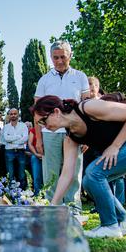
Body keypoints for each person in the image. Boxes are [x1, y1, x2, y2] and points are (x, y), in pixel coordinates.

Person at [32, 95, 126, 238]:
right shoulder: (71, 138)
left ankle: (110, 226)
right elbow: (66, 174)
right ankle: (124, 221)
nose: (44, 126)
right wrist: (53, 206)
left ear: (56, 112)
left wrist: (115, 146)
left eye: (43, 120)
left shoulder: (88, 107)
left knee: (93, 173)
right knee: (88, 181)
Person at [34, 40, 90, 211]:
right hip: (49, 133)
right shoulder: (44, 80)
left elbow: (86, 108)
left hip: (74, 132)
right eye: (55, 57)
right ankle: (52, 207)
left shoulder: (80, 77)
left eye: (63, 57)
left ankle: (73, 207)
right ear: (51, 57)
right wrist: (38, 139)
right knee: (50, 173)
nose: (59, 61)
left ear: (70, 56)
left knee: (74, 171)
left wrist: (87, 136)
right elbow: (37, 112)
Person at [1, 108, 28, 187]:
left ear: (18, 115)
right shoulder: (6, 127)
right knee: (10, 174)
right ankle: (10, 192)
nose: (13, 115)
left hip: (20, 151)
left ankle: (23, 192)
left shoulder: (23, 126)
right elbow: (6, 138)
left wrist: (12, 141)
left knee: (21, 174)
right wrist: (18, 137)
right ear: (9, 115)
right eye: (11, 114)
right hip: (9, 151)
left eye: (15, 114)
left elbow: (25, 138)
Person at [27, 127, 43, 195]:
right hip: (36, 155)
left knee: (47, 177)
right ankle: (37, 195)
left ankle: (47, 195)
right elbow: (30, 143)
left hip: (47, 155)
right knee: (36, 177)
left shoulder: (49, 129)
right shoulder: (33, 130)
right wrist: (36, 153)